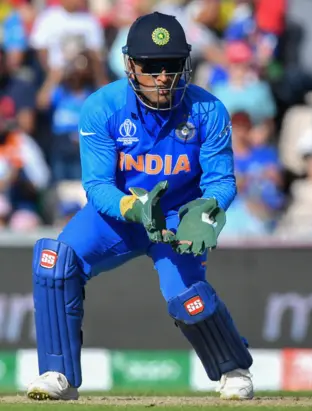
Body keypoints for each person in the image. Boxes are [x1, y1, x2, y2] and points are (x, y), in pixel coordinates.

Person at [26, 12, 254, 401]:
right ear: (130, 64)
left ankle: (234, 370)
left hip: (175, 221)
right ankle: (57, 375)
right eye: (151, 66)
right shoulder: (102, 107)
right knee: (54, 261)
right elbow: (97, 185)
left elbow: (221, 180)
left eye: (171, 65)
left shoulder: (208, 111)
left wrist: (207, 210)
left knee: (189, 300)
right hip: (120, 216)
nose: (162, 76)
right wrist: (132, 206)